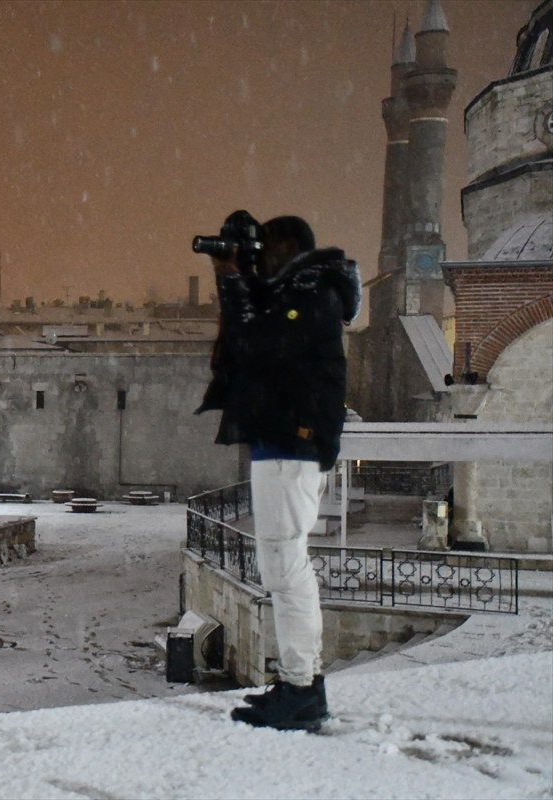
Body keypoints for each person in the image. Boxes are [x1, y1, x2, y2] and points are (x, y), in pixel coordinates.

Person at [196, 211, 360, 732]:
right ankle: (301, 685)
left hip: (292, 446)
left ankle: (301, 689)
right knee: (282, 569)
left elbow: (254, 344)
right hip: (281, 445)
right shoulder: (298, 292)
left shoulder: (312, 294)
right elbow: (247, 342)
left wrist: (232, 278)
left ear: (288, 249)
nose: (258, 259)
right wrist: (239, 275)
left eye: (264, 249)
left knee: (287, 569)